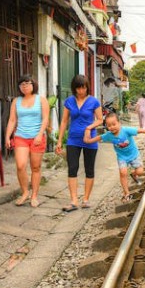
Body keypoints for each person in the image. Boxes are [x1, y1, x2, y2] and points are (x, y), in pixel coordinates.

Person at [83, 113, 145, 202]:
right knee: (123, 173)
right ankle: (126, 193)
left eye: (114, 124)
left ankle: (134, 174)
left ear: (119, 123)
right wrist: (88, 140)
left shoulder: (126, 130)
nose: (112, 127)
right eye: (109, 125)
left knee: (140, 171)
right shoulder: (109, 135)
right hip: (122, 157)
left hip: (134, 155)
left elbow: (139, 130)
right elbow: (99, 137)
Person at [55, 75, 103, 212]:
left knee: (89, 169)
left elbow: (100, 119)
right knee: (72, 168)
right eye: (78, 88)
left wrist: (89, 127)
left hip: (90, 139)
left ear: (87, 87)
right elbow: (64, 121)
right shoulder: (69, 101)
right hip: (73, 139)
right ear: (74, 88)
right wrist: (59, 140)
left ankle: (86, 199)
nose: (81, 90)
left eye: (83, 87)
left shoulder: (93, 101)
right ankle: (74, 200)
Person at [5, 75, 49, 208]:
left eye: (27, 83)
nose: (24, 86)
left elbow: (45, 119)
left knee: (35, 167)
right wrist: (7, 136)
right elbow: (12, 120)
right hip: (20, 137)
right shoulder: (16, 101)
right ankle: (25, 192)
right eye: (21, 84)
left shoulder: (41, 100)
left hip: (37, 137)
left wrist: (40, 135)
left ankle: (34, 195)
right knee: (20, 165)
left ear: (33, 84)